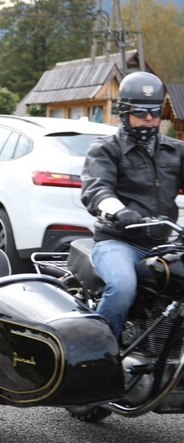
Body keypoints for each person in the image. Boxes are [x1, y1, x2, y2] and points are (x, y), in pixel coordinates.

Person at [81, 71, 184, 339]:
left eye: (154, 112)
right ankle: (99, 354)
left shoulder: (175, 150)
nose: (149, 118)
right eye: (141, 112)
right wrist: (119, 211)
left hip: (163, 243)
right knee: (123, 286)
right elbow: (96, 189)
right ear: (125, 112)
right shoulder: (106, 149)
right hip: (120, 242)